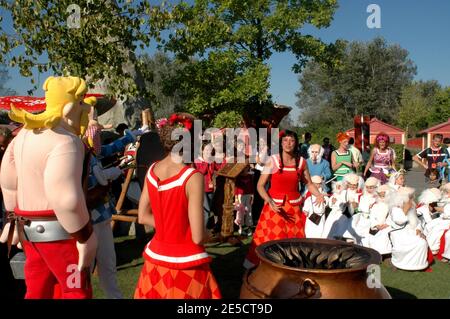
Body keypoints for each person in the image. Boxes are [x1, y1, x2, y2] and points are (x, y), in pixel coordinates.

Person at [0, 76, 97, 298]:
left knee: (37, 289)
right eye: (82, 102)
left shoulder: (23, 134)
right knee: (75, 291)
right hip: (62, 232)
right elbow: (65, 198)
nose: (85, 108)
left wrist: (11, 216)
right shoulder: (66, 141)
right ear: (70, 106)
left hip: (28, 231)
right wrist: (86, 236)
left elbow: (7, 178)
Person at [134, 113, 221, 299]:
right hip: (186, 264)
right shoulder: (192, 177)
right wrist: (211, 235)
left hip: (155, 260)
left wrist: (169, 228)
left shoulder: (152, 169)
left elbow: (142, 216)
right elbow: (197, 237)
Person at [243, 130, 325, 269]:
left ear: (296, 143)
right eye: (285, 140)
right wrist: (269, 201)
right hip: (275, 209)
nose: (288, 143)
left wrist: (318, 194)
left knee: (294, 241)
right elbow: (260, 185)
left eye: (291, 140)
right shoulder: (272, 160)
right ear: (281, 143)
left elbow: (309, 183)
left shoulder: (301, 162)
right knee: (272, 241)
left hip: (293, 210)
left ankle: (292, 269)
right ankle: (268, 269)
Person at [389, 187, 430, 271]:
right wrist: (406, 209)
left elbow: (418, 221)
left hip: (412, 230)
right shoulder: (395, 208)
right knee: (404, 245)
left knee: (421, 243)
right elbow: (399, 222)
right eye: (410, 197)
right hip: (398, 232)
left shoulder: (412, 207)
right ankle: (401, 263)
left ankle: (417, 264)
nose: (412, 199)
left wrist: (419, 229)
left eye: (412, 197)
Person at [368, 184, 393, 256]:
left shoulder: (390, 205)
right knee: (373, 237)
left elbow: (391, 216)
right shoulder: (375, 205)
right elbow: (372, 216)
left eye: (383, 195)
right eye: (380, 195)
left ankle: (384, 253)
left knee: (384, 235)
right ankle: (376, 253)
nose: (382, 197)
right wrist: (376, 225)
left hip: (387, 225)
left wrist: (386, 224)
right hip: (377, 226)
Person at [234, 165, 254, 236]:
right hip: (240, 196)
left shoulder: (250, 176)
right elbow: (236, 188)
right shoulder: (238, 176)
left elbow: (252, 187)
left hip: (248, 196)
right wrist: (236, 198)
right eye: (245, 167)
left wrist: (252, 197)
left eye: (247, 167)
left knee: (249, 211)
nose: (246, 169)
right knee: (240, 213)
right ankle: (240, 228)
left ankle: (249, 228)